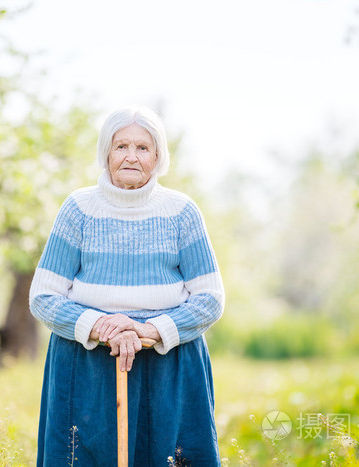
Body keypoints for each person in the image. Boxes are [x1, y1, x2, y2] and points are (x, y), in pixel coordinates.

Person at [29, 106, 224, 466]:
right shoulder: (79, 209)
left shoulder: (181, 212)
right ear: (106, 154)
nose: (131, 156)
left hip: (169, 368)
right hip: (87, 366)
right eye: (121, 146)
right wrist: (102, 326)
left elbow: (210, 298)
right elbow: (43, 295)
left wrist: (148, 329)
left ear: (158, 157)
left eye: (143, 148)